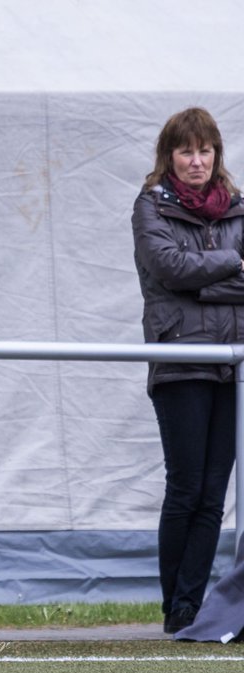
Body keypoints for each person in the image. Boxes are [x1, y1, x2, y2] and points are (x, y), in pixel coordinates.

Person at [132, 107, 244, 635]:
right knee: (186, 488)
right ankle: (174, 607)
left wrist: (200, 279)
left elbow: (185, 274)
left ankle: (191, 608)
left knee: (214, 493)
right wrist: (232, 263)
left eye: (205, 151)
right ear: (169, 157)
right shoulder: (150, 206)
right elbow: (168, 268)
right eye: (186, 151)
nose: (197, 161)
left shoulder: (238, 207)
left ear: (216, 154)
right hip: (180, 361)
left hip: (233, 366)